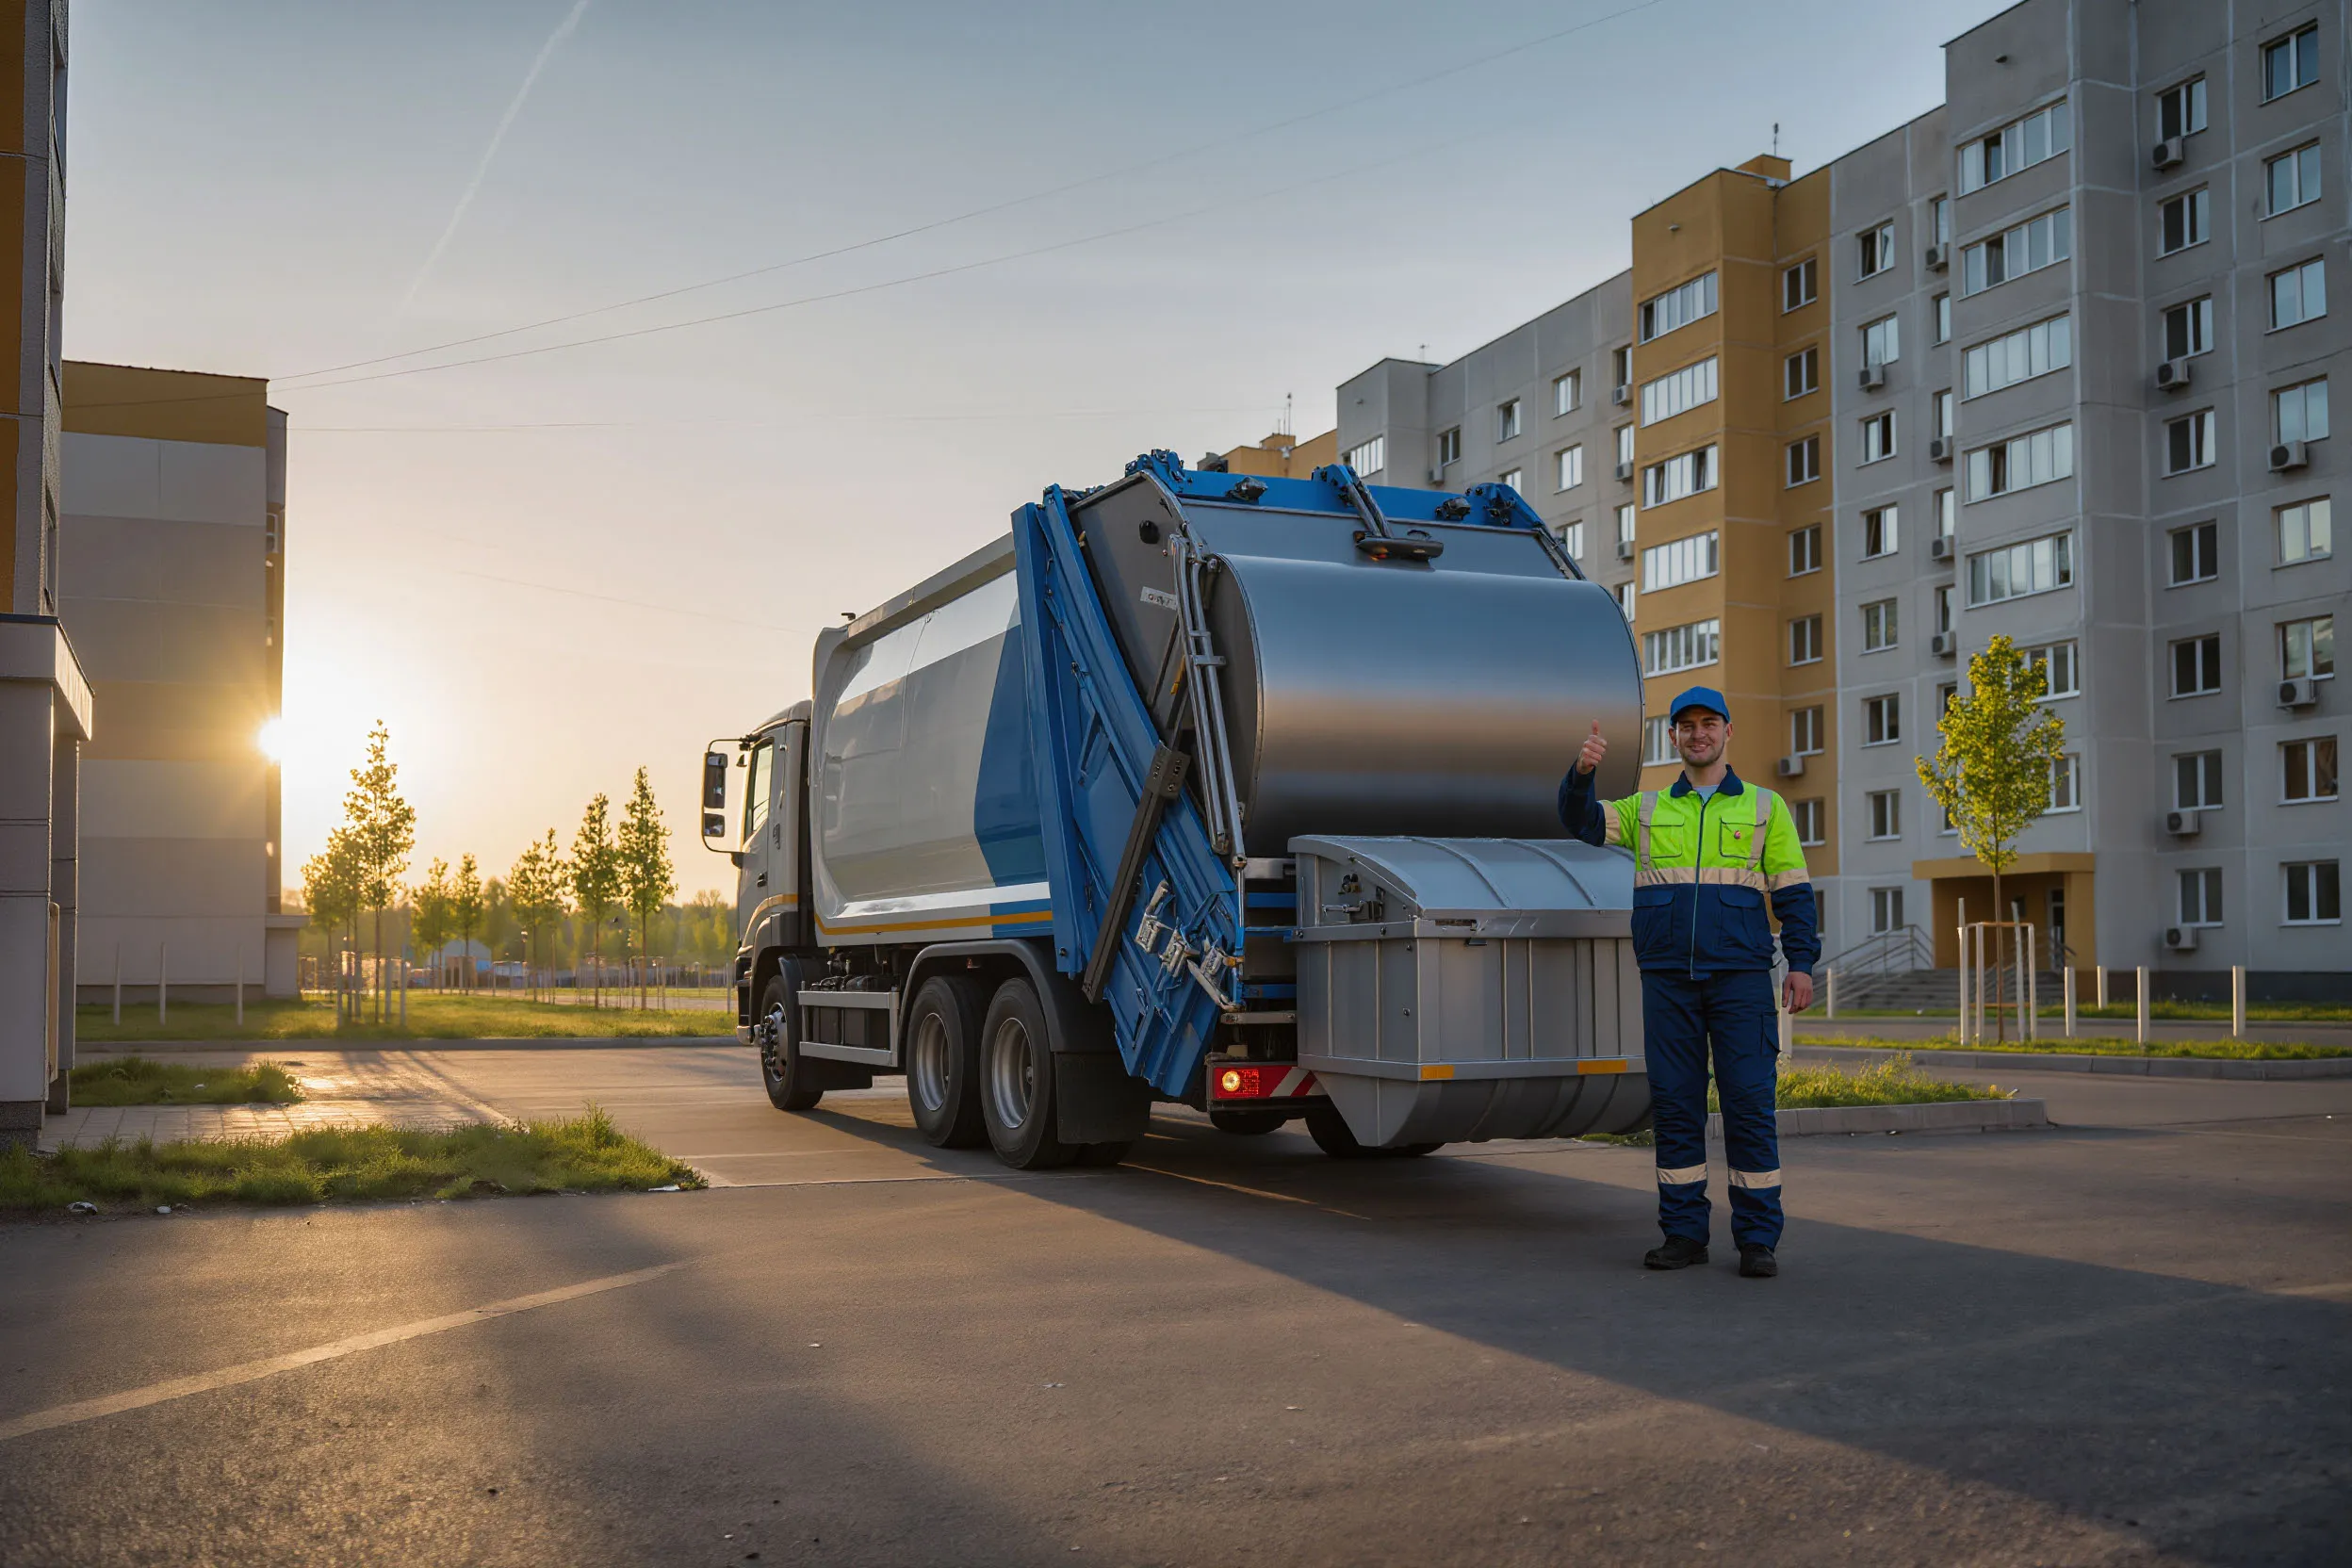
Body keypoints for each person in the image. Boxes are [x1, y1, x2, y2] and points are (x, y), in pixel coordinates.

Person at [1558, 686, 1818, 1278]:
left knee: (1750, 1108)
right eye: (1686, 726)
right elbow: (1581, 823)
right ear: (1672, 737)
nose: (1698, 734)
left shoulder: (1764, 807)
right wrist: (1581, 774)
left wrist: (1801, 963)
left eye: (1708, 724)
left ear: (1727, 731)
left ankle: (1757, 1239)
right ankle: (1684, 1235)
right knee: (1676, 1109)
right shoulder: (1645, 809)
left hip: (1742, 981)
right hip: (1669, 981)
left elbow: (1795, 894)